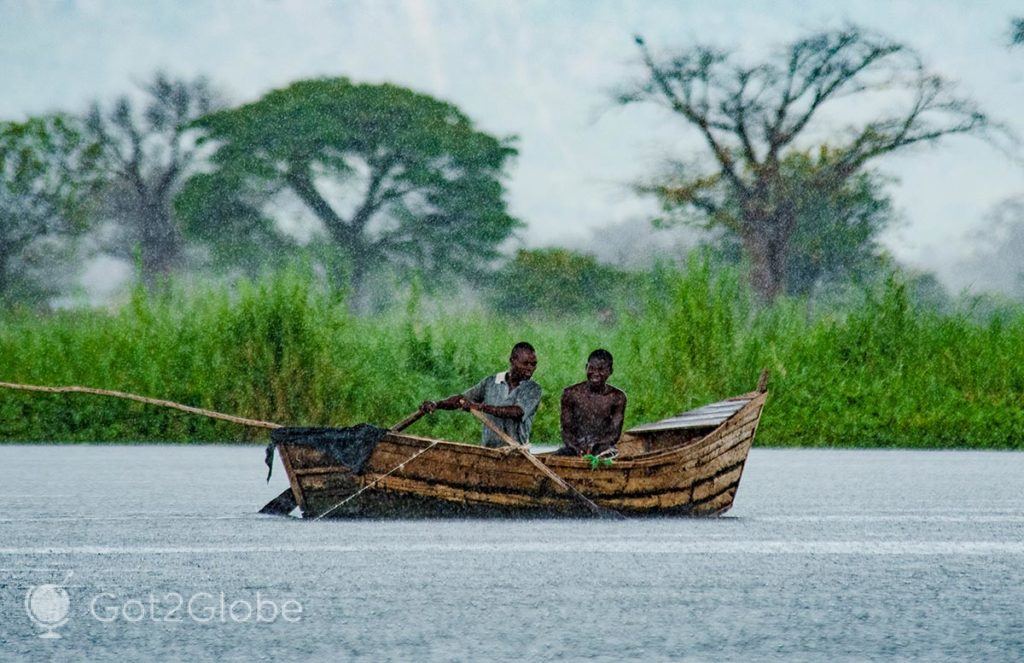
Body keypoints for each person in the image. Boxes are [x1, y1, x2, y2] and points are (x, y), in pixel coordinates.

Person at [421, 342, 541, 448]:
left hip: (517, 455)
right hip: (488, 451)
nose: (530, 369)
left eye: (533, 364)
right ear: (512, 361)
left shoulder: (533, 388)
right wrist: (436, 404)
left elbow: (516, 412)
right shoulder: (491, 382)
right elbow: (460, 400)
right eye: (525, 364)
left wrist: (480, 407)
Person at [556, 349, 626, 456]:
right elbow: (566, 430)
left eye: (601, 369)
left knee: (608, 454)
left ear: (610, 371)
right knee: (560, 455)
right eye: (591, 368)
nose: (596, 374)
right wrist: (577, 448)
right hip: (575, 447)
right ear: (586, 368)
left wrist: (595, 446)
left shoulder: (617, 397)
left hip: (602, 448)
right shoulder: (571, 394)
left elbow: (614, 434)